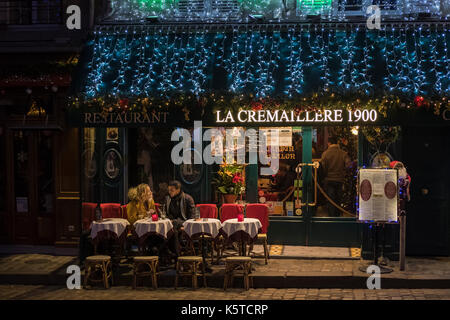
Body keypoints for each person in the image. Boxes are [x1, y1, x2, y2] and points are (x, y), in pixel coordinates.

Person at [320, 136, 352, 217]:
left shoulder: (325, 153)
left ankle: (331, 217)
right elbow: (349, 165)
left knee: (331, 200)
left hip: (329, 179)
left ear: (329, 143)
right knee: (338, 199)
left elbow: (323, 168)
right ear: (337, 143)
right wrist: (343, 171)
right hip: (339, 179)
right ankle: (337, 216)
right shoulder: (343, 153)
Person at [164, 180, 195, 256]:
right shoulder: (168, 199)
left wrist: (178, 223)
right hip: (172, 224)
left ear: (178, 190)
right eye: (169, 190)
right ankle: (173, 253)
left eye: (172, 190)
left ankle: (171, 252)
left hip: (185, 222)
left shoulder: (187, 199)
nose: (170, 192)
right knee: (173, 230)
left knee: (173, 225)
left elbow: (192, 217)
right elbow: (166, 213)